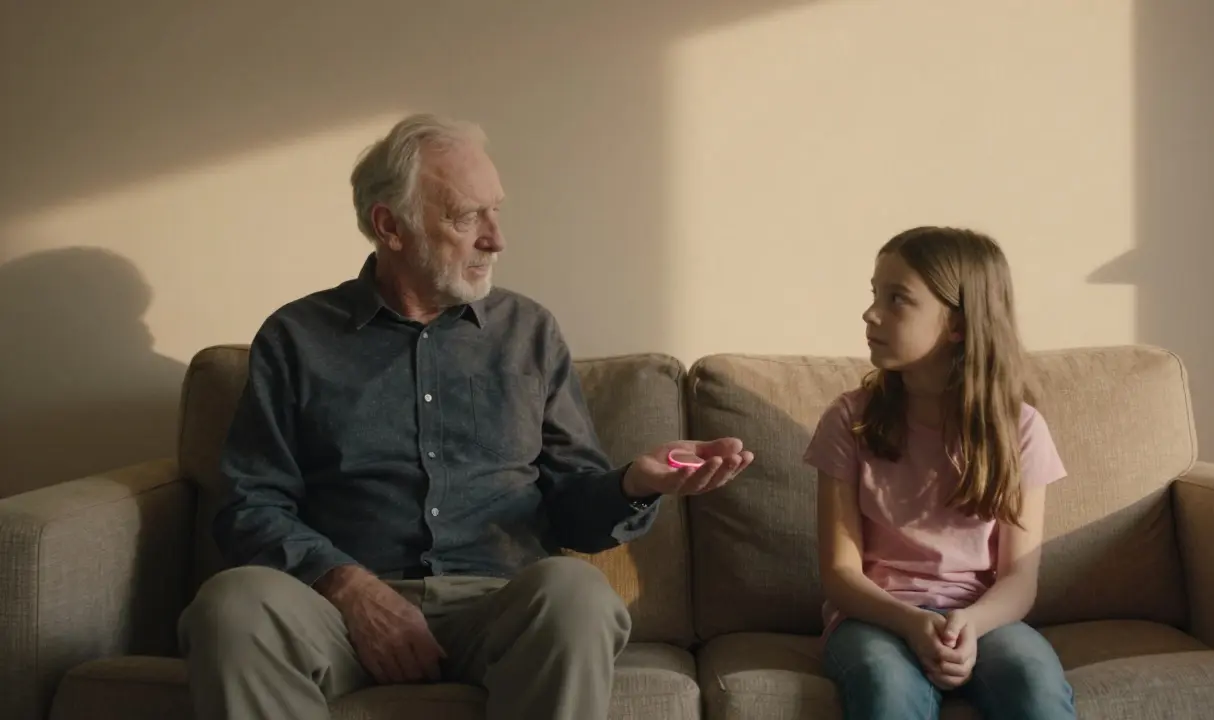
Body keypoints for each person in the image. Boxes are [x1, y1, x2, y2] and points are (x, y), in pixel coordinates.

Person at [178, 113, 755, 720]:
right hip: (337, 613)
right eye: (465, 216)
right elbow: (251, 504)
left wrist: (635, 484)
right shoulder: (297, 338)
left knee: (579, 594)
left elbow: (575, 512)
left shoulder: (527, 333)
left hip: (499, 610)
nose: (495, 239)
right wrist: (348, 587)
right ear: (389, 226)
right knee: (231, 604)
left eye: (496, 211)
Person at [803, 227, 1075, 720]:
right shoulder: (849, 420)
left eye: (898, 298)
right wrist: (909, 623)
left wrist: (968, 625)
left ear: (957, 324)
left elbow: (1019, 576)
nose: (870, 313)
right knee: (884, 687)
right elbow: (840, 574)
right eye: (874, 294)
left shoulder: (1021, 430)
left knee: (1034, 685)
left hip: (981, 617)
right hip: (874, 616)